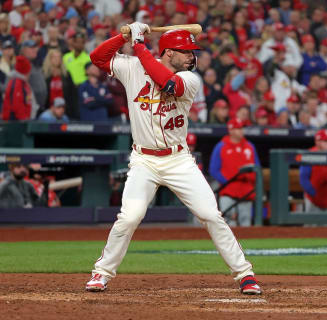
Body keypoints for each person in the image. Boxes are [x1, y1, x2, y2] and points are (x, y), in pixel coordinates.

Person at [86, 22, 261, 295]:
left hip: (178, 160)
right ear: (168, 52)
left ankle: (245, 274)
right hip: (144, 160)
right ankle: (101, 273)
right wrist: (122, 37)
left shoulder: (191, 79)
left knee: (210, 215)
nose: (192, 57)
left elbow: (167, 82)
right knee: (130, 217)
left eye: (193, 52)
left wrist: (140, 43)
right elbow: (97, 58)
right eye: (186, 52)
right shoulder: (133, 67)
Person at [209, 118, 261, 227]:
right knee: (228, 224)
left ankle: (246, 245)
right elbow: (213, 170)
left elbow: (257, 168)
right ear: (231, 130)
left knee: (245, 222)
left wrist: (252, 182)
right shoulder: (221, 146)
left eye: (242, 128)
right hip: (228, 191)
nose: (242, 131)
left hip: (246, 191)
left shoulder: (250, 146)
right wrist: (227, 182)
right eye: (238, 128)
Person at [299, 129, 327, 212]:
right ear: (317, 142)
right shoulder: (309, 155)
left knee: (326, 224)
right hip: (313, 200)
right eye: (325, 140)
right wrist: (314, 194)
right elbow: (303, 179)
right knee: (311, 224)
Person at [2, 55, 34, 120]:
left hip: (21, 119)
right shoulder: (17, 83)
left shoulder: (23, 83)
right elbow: (17, 105)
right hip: (15, 121)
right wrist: (24, 119)